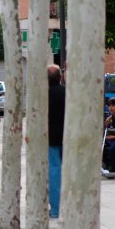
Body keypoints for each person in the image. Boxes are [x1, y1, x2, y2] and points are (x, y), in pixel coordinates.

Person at [48, 64, 65, 219]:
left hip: (49, 140)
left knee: (54, 172)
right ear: (60, 77)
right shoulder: (67, 93)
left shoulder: (41, 95)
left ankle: (55, 209)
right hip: (67, 139)